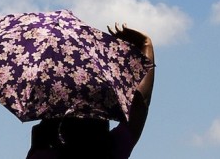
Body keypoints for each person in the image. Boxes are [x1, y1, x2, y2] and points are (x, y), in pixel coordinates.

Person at [26, 24, 155, 159]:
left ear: (63, 129)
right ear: (103, 123)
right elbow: (140, 103)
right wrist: (146, 44)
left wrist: (39, 140)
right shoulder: (114, 151)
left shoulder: (46, 156)